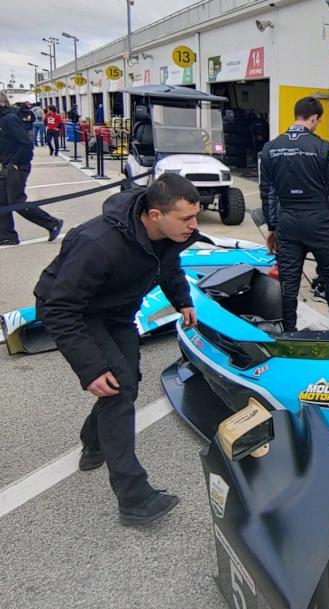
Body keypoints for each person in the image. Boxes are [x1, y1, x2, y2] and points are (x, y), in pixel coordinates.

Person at [34, 174, 200, 526]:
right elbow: (59, 309)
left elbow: (168, 266)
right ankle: (134, 497)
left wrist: (183, 301)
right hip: (76, 311)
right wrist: (90, 368)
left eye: (196, 215)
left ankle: (92, 440)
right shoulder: (98, 243)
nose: (194, 225)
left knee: (127, 382)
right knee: (117, 385)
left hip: (118, 312)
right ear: (154, 215)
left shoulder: (169, 235)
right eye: (186, 218)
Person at [259, 96, 329, 331]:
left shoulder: (271, 148)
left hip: (287, 222)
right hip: (320, 220)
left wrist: (272, 227)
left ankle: (288, 331)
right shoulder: (321, 147)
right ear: (315, 118)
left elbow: (267, 191)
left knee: (289, 280)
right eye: (318, 120)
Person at [0, 93, 63, 246]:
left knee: (16, 201)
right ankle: (7, 235)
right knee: (2, 201)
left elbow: (26, 143)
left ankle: (52, 223)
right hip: (6, 165)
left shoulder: (9, 119)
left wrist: (15, 163)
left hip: (16, 166)